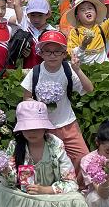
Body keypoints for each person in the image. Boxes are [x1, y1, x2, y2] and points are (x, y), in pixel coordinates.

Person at [0, 100, 95, 207]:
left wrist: (45, 190)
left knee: (77, 199)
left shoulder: (55, 144)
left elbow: (71, 182)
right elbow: (9, 184)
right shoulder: (14, 145)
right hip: (25, 195)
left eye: (37, 127)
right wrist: (5, 170)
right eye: (27, 128)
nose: (32, 132)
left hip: (52, 196)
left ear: (45, 127)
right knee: (0, 190)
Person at [21, 30, 93, 172]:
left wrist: (78, 70)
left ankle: (76, 183)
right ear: (41, 53)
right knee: (51, 162)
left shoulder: (68, 70)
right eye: (48, 51)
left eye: (57, 51)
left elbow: (89, 89)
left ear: (64, 54)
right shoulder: (35, 72)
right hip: (45, 127)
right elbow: (26, 98)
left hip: (69, 124)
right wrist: (41, 104)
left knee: (82, 158)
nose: (52, 55)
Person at [19, 0, 55, 69]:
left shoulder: (53, 33)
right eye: (33, 15)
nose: (36, 19)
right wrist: (22, 54)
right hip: (28, 73)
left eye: (40, 15)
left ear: (47, 14)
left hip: (48, 72)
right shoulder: (25, 30)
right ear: (28, 15)